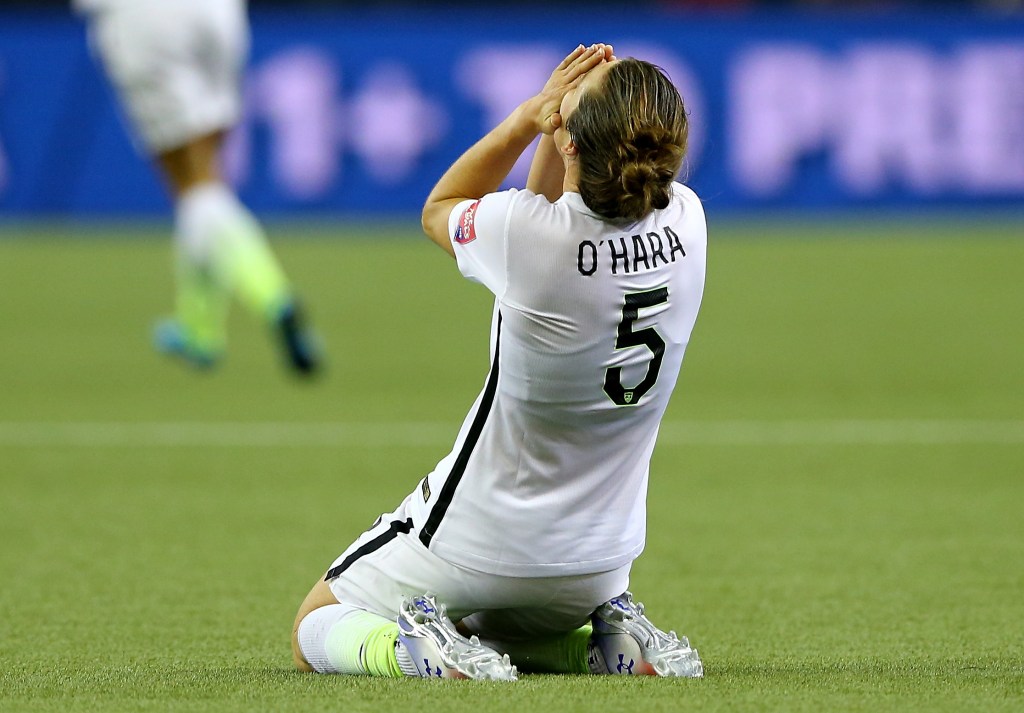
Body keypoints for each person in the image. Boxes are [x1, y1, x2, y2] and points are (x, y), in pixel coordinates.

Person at [292, 43, 707, 680]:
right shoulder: (689, 222)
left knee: (316, 624)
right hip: (597, 564)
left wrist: (525, 119)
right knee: (491, 622)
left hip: (475, 543)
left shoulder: (523, 236)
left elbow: (439, 208)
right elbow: (550, 210)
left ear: (570, 142)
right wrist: (566, 121)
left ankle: (411, 654)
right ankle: (601, 644)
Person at [74, 0, 321, 374]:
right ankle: (200, 326)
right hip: (217, 12)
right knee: (207, 179)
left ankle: (274, 298)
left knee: (192, 182)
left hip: (144, 18)